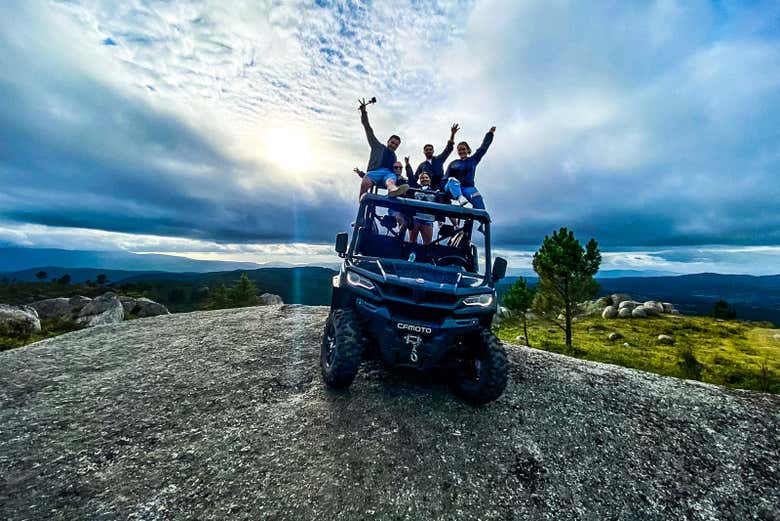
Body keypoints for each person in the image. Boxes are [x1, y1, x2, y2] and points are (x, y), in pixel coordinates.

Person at [357, 98, 409, 200]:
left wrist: (399, 174)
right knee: (366, 181)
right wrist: (364, 112)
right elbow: (368, 129)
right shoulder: (377, 146)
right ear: (388, 141)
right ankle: (361, 199)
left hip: (388, 175)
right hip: (375, 172)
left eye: (396, 145)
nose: (393, 145)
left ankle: (392, 190)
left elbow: (394, 171)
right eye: (392, 143)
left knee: (390, 181)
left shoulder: (394, 156)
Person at [443, 126, 495, 210]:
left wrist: (490, 134)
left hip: (467, 187)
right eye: (459, 150)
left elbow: (483, 148)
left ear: (468, 150)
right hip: (453, 188)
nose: (461, 151)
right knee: (452, 180)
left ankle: (471, 222)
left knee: (479, 202)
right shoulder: (453, 163)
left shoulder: (473, 160)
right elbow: (445, 179)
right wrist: (441, 191)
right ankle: (459, 197)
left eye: (463, 149)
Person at [404, 123, 460, 189]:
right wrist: (407, 165)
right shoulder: (422, 165)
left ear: (433, 151)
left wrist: (452, 134)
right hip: (427, 188)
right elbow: (414, 178)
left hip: (440, 187)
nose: (428, 151)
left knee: (451, 183)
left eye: (430, 149)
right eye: (426, 150)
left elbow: (448, 149)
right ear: (424, 152)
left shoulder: (439, 159)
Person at [408, 172, 437, 245]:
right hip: (416, 218)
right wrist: (407, 165)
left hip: (428, 218)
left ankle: (424, 256)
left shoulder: (435, 190)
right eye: (422, 178)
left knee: (427, 244)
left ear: (430, 180)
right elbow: (410, 177)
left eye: (426, 177)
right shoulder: (416, 188)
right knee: (412, 242)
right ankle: (411, 255)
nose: (424, 179)